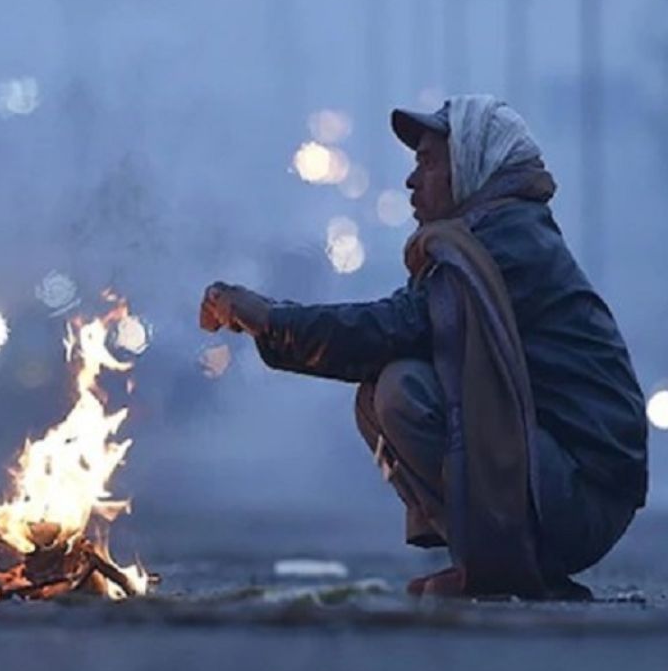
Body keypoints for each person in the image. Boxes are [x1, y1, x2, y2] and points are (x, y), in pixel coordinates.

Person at [200, 96, 647, 599]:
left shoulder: (506, 242)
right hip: (562, 480)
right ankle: (496, 562)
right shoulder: (484, 237)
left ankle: (501, 568)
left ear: (474, 166)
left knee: (401, 389)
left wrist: (269, 318)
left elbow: (391, 327)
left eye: (429, 162)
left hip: (582, 494)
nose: (413, 180)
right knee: (380, 392)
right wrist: (273, 322)